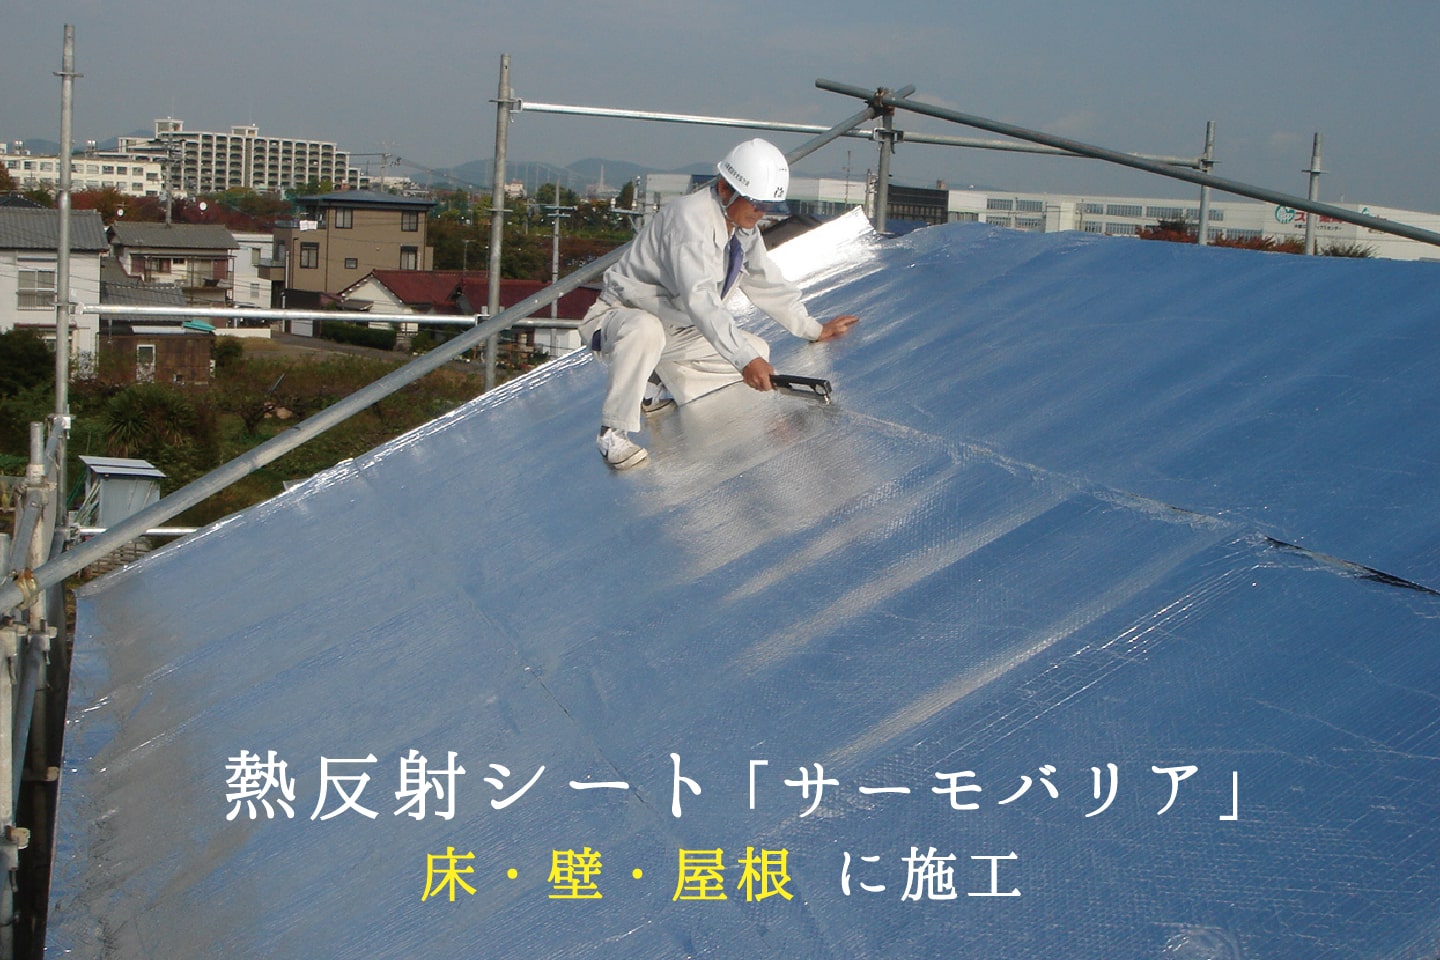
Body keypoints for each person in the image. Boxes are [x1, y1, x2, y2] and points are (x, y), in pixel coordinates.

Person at [580, 138, 859, 469]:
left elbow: (764, 280)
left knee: (757, 348)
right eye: (756, 203)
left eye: (767, 205)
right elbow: (701, 299)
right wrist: (745, 360)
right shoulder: (688, 222)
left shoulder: (741, 229)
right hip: (621, 319)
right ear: (726, 189)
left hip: (676, 329)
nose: (762, 212)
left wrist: (812, 329)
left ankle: (653, 381)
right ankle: (612, 433)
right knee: (649, 331)